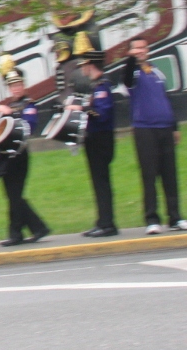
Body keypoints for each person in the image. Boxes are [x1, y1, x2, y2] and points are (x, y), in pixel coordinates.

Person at [122, 37, 185, 234]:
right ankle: (152, 219)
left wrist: (174, 127)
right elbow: (127, 79)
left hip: (165, 127)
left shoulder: (156, 70)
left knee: (170, 174)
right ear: (131, 52)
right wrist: (132, 60)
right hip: (145, 128)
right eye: (137, 48)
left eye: (143, 47)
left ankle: (175, 217)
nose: (141, 50)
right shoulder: (132, 72)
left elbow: (165, 99)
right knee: (149, 175)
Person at [0, 59, 49, 246]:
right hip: (5, 155)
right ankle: (37, 228)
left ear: (23, 85)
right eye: (12, 85)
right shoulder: (7, 106)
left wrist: (8, 114)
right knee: (12, 195)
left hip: (19, 155)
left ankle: (16, 234)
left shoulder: (29, 105)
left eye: (19, 84)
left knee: (15, 195)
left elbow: (27, 126)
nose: (16, 88)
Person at [71, 51, 118, 237]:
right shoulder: (95, 87)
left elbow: (101, 114)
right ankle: (102, 221)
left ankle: (107, 224)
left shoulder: (102, 87)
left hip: (101, 139)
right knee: (98, 182)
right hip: (95, 139)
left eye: (84, 65)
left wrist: (81, 108)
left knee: (101, 182)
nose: (83, 68)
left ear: (92, 65)